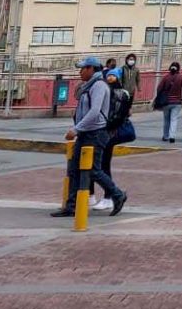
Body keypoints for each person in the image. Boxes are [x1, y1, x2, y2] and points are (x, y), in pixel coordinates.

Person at [50, 56, 126, 218]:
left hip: (96, 133)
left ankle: (117, 194)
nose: (80, 72)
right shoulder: (89, 85)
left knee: (93, 170)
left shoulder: (99, 85)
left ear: (91, 69)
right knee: (74, 169)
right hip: (86, 133)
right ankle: (71, 206)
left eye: (83, 69)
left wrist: (76, 129)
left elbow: (94, 112)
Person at [94, 64, 136, 211]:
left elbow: (122, 113)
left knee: (102, 165)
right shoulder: (106, 90)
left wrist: (108, 126)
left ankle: (109, 197)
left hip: (110, 132)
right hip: (106, 131)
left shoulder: (122, 93)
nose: (110, 78)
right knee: (98, 165)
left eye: (113, 76)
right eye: (109, 76)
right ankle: (96, 196)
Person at [154, 60, 182, 142]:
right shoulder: (181, 77)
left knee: (166, 120)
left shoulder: (166, 77)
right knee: (174, 119)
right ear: (178, 68)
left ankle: (165, 136)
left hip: (166, 102)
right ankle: (172, 136)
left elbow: (159, 88)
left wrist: (160, 97)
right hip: (177, 102)